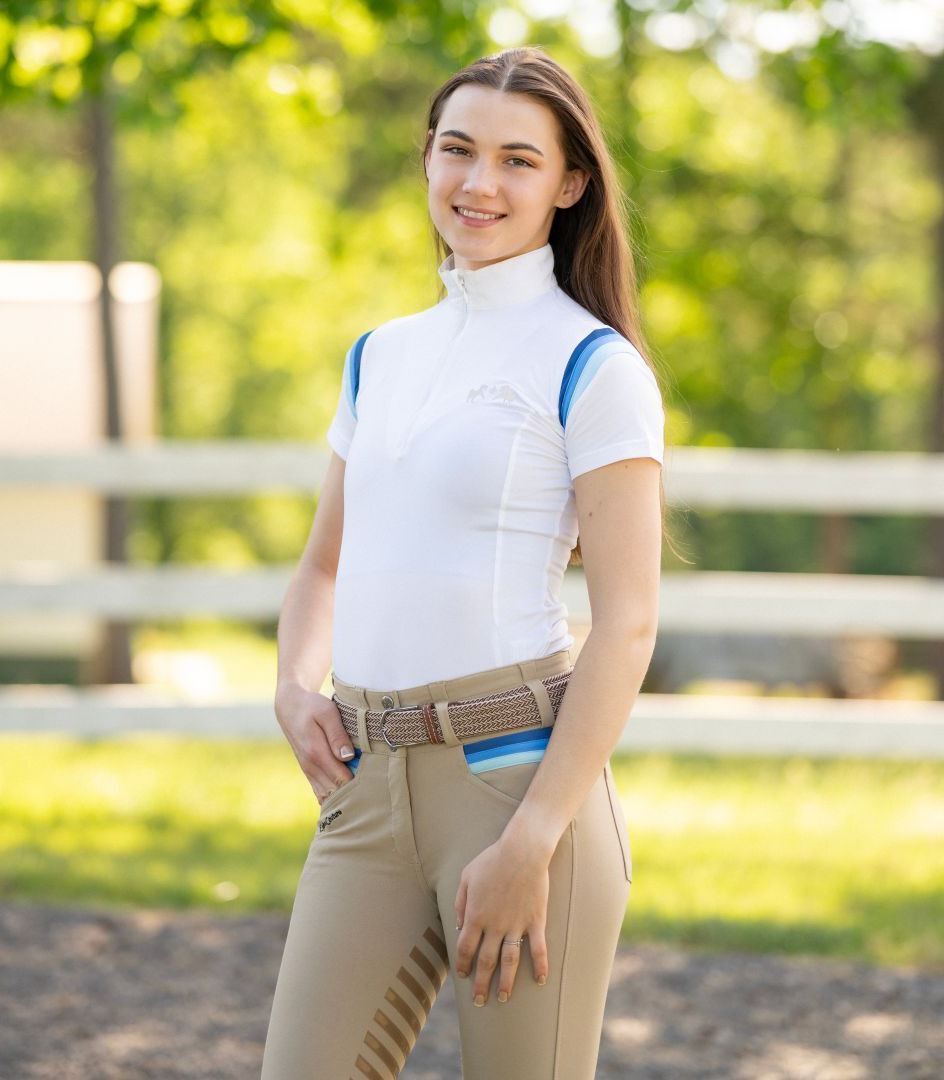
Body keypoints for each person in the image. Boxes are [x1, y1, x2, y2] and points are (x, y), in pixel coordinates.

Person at [263, 44, 668, 1080]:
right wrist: (292, 684)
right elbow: (322, 568)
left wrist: (533, 840)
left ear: (570, 184)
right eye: (458, 150)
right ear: (429, 161)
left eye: (518, 160)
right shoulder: (380, 355)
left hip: (516, 783)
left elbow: (626, 624)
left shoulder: (593, 365)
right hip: (366, 788)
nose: (479, 183)